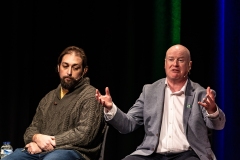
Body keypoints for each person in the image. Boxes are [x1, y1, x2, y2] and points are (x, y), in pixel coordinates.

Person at [95, 44, 226, 160]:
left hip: (188, 154)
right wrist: (111, 108)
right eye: (171, 59)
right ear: (165, 64)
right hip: (152, 154)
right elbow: (128, 124)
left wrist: (212, 110)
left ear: (189, 65)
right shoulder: (149, 91)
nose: (175, 64)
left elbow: (218, 125)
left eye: (180, 60)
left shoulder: (201, 93)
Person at [3, 46, 106, 160]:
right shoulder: (49, 97)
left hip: (75, 153)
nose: (69, 72)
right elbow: (31, 130)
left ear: (84, 71)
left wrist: (46, 144)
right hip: (41, 151)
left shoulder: (91, 96)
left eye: (75, 67)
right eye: (65, 66)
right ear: (58, 67)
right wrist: (36, 138)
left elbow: (84, 135)